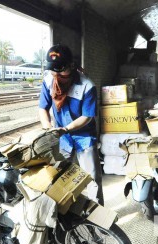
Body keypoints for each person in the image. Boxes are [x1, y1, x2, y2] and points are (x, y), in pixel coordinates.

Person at [38, 44, 103, 205]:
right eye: (53, 70)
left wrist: (65, 129)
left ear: (71, 66)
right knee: (60, 176)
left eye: (60, 70)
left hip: (84, 137)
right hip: (61, 138)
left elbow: (87, 117)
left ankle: (99, 215)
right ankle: (66, 210)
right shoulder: (48, 81)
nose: (56, 74)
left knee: (92, 177)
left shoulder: (87, 86)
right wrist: (47, 126)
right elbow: (42, 108)